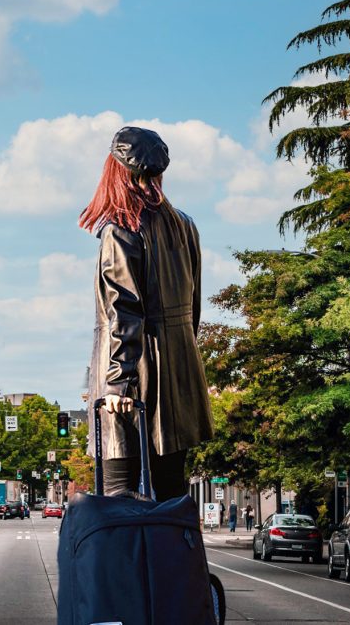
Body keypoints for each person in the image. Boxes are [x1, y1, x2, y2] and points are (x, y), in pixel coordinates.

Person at [82, 127, 213, 502]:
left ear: (115, 169)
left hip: (132, 379)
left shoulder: (120, 229)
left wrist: (118, 384)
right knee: (171, 497)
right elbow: (194, 305)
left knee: (118, 499)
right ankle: (174, 563)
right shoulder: (184, 224)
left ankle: (126, 564)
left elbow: (123, 308)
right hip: (180, 375)